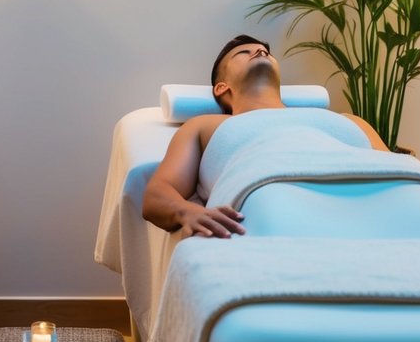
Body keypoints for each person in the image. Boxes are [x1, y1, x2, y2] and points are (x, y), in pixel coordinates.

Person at [142, 33, 388, 238]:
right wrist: (187, 211)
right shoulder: (206, 126)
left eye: (265, 51)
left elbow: (399, 169)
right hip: (278, 210)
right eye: (244, 52)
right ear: (221, 87)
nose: (260, 51)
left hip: (381, 207)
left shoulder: (349, 121)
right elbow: (157, 195)